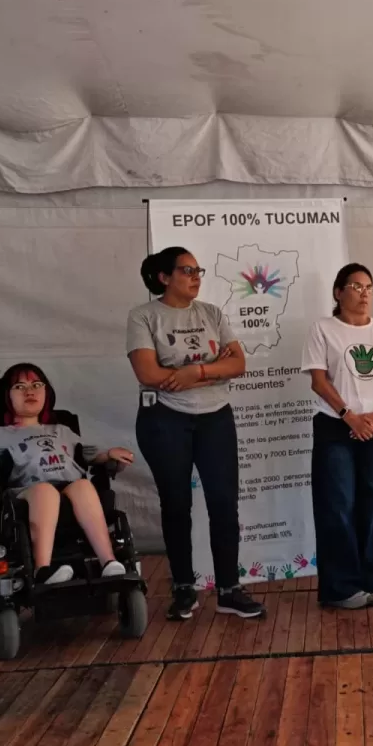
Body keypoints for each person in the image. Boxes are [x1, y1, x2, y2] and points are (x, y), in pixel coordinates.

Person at [126, 246, 266, 621]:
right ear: (163, 277)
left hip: (215, 418)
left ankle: (228, 590)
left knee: (224, 503)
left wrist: (195, 373)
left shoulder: (212, 313)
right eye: (187, 270)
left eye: (198, 270)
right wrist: (212, 369)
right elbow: (148, 374)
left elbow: (238, 364)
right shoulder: (144, 316)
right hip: (164, 420)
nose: (196, 277)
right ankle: (183, 588)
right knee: (176, 504)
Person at [0, 363, 131, 585]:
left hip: (69, 487)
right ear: (7, 396)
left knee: (84, 486)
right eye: (20, 386)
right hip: (25, 491)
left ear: (47, 392)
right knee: (45, 491)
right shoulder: (0, 435)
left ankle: (108, 562)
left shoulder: (63, 430)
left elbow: (89, 455)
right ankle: (42, 569)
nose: (30, 391)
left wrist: (110, 455)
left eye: (36, 385)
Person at [303, 264, 373, 609]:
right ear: (339, 293)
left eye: (369, 287)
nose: (364, 293)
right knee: (337, 503)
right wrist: (349, 416)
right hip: (336, 425)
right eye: (356, 286)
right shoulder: (323, 329)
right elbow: (319, 381)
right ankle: (341, 589)